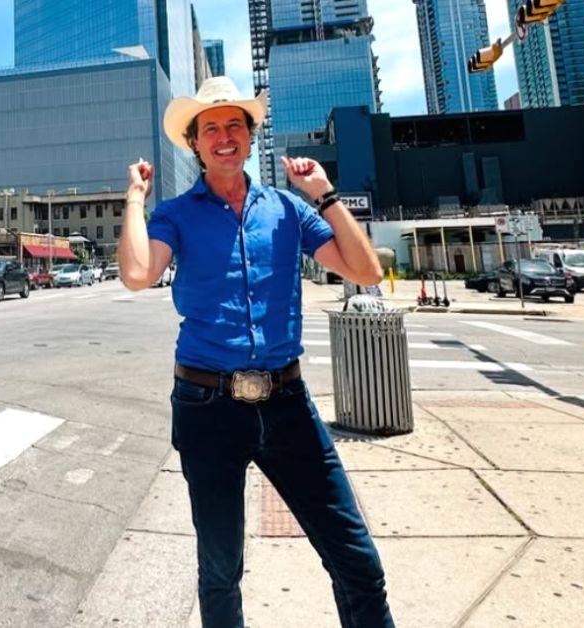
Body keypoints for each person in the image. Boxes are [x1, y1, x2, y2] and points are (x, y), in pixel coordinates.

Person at [117, 76, 393, 628]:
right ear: (194, 143)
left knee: (356, 558)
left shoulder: (289, 210)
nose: (224, 136)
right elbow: (136, 273)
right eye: (211, 128)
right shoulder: (176, 214)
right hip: (206, 406)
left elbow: (367, 270)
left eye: (234, 124)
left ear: (249, 135)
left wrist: (326, 194)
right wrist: (134, 197)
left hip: (287, 402)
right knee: (220, 569)